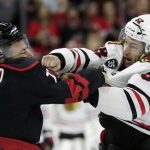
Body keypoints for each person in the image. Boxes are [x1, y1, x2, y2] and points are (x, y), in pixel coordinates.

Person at [42, 14, 150, 150]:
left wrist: (86, 89)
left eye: (133, 46)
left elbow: (132, 105)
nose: (126, 50)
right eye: (126, 41)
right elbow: (92, 57)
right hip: (114, 138)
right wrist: (61, 59)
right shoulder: (119, 51)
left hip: (142, 141)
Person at [0, 22, 105, 150]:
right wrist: (100, 73)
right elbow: (72, 91)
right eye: (22, 51)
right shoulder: (22, 71)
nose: (30, 54)